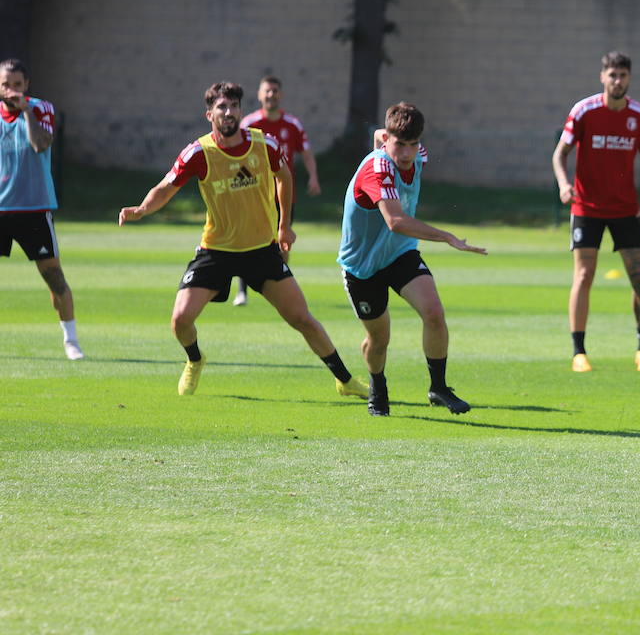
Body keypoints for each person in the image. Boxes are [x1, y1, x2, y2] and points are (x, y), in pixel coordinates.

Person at [118, 81, 369, 399]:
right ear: (209, 114)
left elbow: (284, 176)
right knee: (180, 319)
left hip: (261, 251)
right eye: (221, 107)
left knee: (302, 318)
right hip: (216, 251)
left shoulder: (264, 144)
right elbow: (166, 187)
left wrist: (284, 225)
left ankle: (344, 380)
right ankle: (195, 359)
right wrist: (141, 209)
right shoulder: (199, 152)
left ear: (240, 111)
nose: (228, 112)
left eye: (234, 106)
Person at [339, 102, 487, 417]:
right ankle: (377, 385)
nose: (406, 153)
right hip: (362, 267)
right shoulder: (377, 169)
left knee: (434, 312)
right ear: (388, 141)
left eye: (413, 144)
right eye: (399, 144)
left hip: (399, 252)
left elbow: (383, 132)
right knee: (379, 339)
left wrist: (388, 134)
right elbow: (396, 221)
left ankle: (438, 387)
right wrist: (447, 236)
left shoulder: (416, 154)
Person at [551, 51, 640, 373]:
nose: (617, 81)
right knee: (584, 276)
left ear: (629, 78)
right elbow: (560, 154)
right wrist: (563, 184)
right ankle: (579, 352)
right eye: (612, 75)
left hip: (626, 209)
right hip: (587, 207)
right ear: (603, 77)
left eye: (623, 75)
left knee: (639, 279)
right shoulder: (584, 111)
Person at [0, 58, 84, 360]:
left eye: (17, 85)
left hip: (34, 208)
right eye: (5, 85)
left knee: (53, 276)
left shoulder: (40, 108)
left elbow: (40, 145)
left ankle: (70, 340)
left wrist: (25, 112)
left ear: (27, 85)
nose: (11, 90)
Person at [233, 75, 321, 306]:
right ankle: (242, 291)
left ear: (281, 94)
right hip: (254, 195)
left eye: (275, 91)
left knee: (283, 242)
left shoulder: (292, 124)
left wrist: (313, 177)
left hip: (284, 195)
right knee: (248, 241)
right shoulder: (249, 124)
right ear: (260, 95)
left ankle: (281, 288)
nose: (271, 95)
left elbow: (307, 152)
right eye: (267, 91)